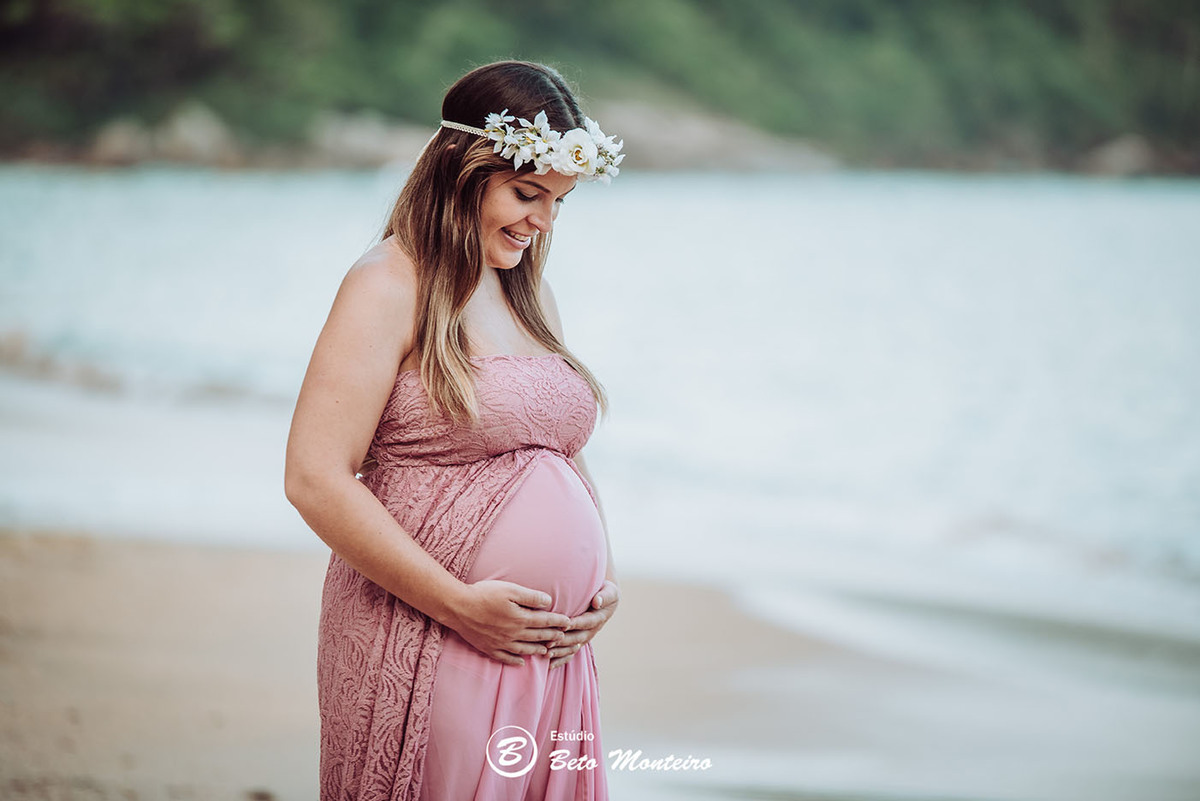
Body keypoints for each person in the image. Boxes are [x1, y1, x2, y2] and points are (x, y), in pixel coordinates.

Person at [284, 60, 624, 800]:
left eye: (558, 203)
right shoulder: (386, 283)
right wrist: (459, 604)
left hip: (548, 653)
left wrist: (602, 577)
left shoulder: (529, 298)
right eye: (526, 194)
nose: (542, 223)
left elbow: (556, 449)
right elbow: (314, 476)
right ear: (460, 171)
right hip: (431, 630)